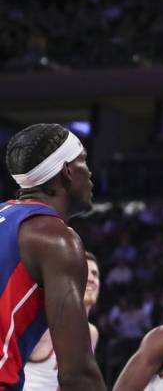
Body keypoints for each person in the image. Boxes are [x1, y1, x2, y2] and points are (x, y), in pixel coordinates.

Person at [1, 123, 106, 390]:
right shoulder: (56, 239)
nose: (90, 172)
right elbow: (77, 373)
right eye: (83, 160)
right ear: (67, 171)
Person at [23, 251, 101, 390]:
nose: (91, 278)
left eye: (95, 274)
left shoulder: (92, 333)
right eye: (85, 272)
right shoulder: (46, 325)